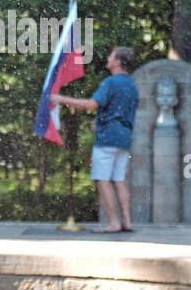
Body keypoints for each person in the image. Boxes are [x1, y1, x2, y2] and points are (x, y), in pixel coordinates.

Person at [51, 46, 138, 233]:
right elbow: (120, 113)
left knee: (102, 179)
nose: (108, 58)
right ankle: (127, 222)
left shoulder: (110, 83)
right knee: (119, 180)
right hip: (124, 137)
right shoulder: (131, 84)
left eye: (111, 56)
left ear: (118, 62)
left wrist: (60, 98)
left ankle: (114, 223)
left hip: (107, 139)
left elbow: (91, 104)